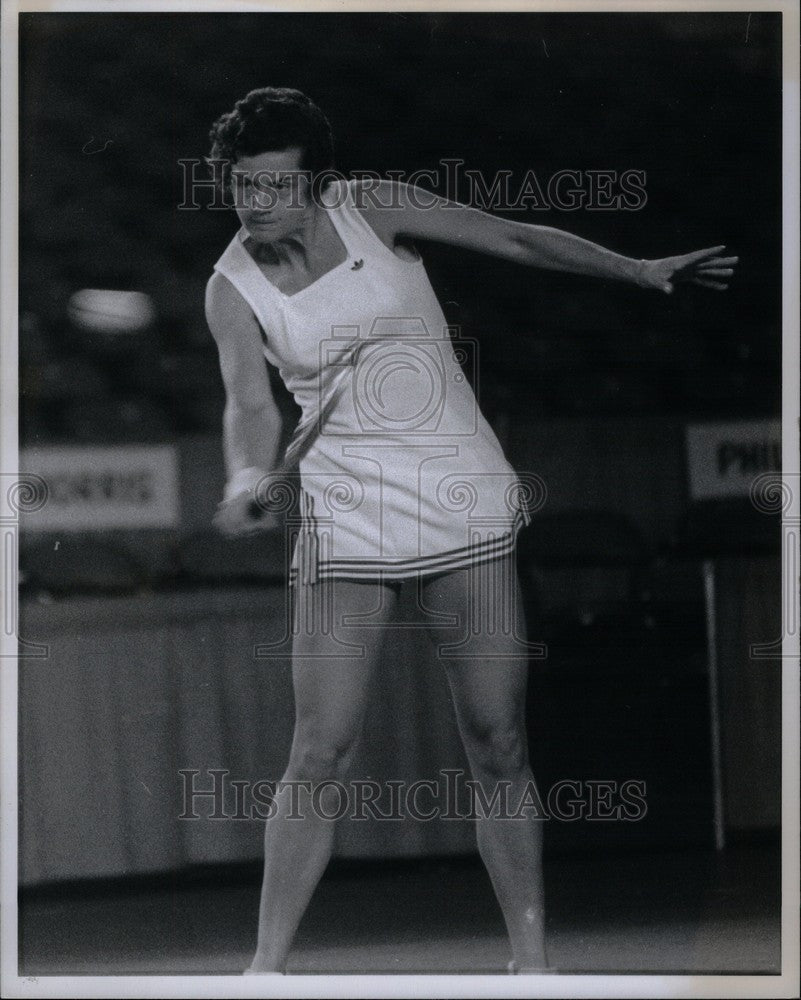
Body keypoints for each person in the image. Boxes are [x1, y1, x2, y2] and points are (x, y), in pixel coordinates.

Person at [203, 87, 736, 976]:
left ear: (317, 183)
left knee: (497, 738)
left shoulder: (374, 207)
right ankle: (264, 971)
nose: (257, 204)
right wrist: (246, 478)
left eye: (275, 187)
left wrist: (634, 270)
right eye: (241, 188)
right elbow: (248, 404)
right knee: (318, 746)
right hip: (344, 515)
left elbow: (516, 237)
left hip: (458, 496)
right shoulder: (231, 286)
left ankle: (531, 965)